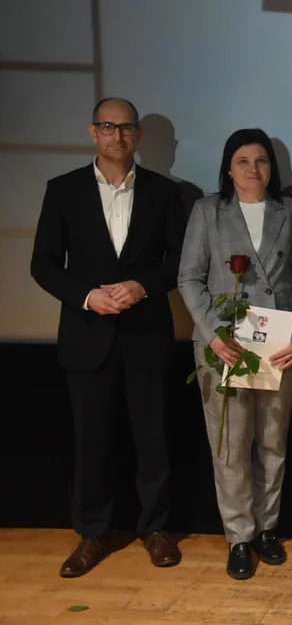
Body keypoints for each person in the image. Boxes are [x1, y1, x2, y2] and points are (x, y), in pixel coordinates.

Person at [30, 97, 185, 577]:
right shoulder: (63, 190)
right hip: (87, 335)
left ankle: (155, 529)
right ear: (93, 132)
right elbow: (43, 263)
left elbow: (179, 260)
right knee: (92, 442)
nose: (118, 136)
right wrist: (86, 296)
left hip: (147, 335)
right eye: (108, 127)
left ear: (137, 136)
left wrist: (143, 285)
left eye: (126, 128)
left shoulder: (165, 192)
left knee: (152, 439)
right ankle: (93, 535)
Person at [177, 128, 292, 579]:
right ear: (228, 167)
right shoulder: (207, 211)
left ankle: (267, 528)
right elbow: (189, 278)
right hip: (226, 347)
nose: (253, 169)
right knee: (231, 446)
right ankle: (239, 536)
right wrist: (215, 335)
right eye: (243, 161)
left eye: (261, 160)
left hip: (280, 347)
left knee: (273, 441)